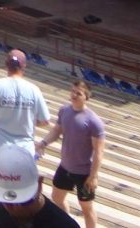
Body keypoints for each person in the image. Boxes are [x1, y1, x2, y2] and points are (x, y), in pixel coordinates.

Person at [0, 50, 51, 184]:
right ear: (24, 66)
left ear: (6, 65)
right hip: (24, 149)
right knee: (20, 190)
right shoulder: (34, 90)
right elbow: (44, 121)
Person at [36, 80, 105, 228]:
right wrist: (43, 143)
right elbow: (56, 130)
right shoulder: (64, 111)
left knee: (86, 207)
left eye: (78, 93)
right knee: (57, 197)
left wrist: (93, 177)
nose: (74, 95)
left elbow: (99, 152)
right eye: (72, 91)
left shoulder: (93, 121)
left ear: (86, 97)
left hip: (84, 173)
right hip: (65, 167)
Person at [0, 143, 79, 227]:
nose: (16, 208)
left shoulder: (65, 225)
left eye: (24, 201)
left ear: (39, 184)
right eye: (8, 200)